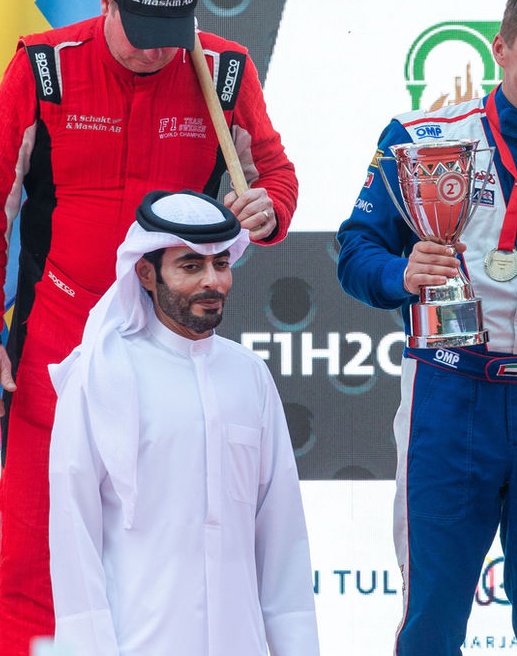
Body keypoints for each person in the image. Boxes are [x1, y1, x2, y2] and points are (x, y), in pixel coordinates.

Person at [0, 0, 297, 651]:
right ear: (104, 0)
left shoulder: (221, 71)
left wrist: (269, 208)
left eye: (170, 32)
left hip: (168, 345)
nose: (152, 48)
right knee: (38, 543)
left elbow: (275, 176)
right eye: (138, 29)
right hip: (59, 337)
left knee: (167, 548)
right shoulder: (46, 67)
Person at [337, 0, 517, 655]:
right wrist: (400, 274)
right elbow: (354, 249)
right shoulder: (426, 138)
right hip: (448, 389)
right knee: (433, 613)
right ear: (501, 48)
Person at [47, 190, 318, 656]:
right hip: (139, 642)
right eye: (190, 266)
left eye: (221, 265)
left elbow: (281, 536)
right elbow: (74, 532)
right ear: (147, 273)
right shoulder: (103, 374)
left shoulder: (249, 376)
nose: (211, 282)